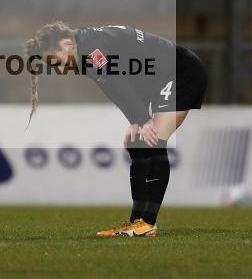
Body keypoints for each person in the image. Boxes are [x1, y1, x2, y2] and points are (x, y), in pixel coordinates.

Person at [24, 22, 207, 237]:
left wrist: (143, 119)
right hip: (162, 79)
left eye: (58, 62)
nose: (61, 69)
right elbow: (112, 87)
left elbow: (119, 83)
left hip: (182, 73)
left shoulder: (92, 49)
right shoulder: (85, 50)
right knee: (138, 144)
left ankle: (147, 224)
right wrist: (135, 121)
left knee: (154, 142)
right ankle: (136, 222)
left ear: (66, 44)